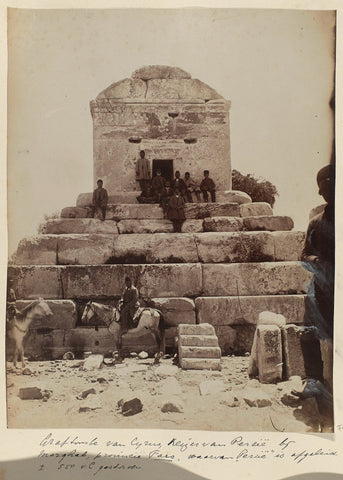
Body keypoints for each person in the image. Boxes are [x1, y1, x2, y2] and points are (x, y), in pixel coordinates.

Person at [301, 164, 335, 393]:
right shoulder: (316, 222)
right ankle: (314, 379)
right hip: (324, 286)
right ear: (320, 192)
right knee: (307, 331)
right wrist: (316, 261)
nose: (329, 192)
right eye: (325, 188)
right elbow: (304, 255)